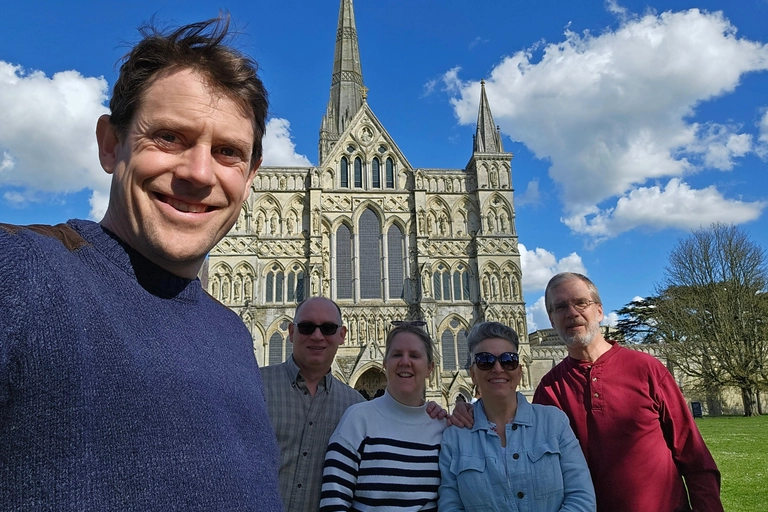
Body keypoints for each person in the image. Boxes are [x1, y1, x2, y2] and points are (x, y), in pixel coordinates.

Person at [0, 18, 282, 511]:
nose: (199, 173)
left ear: (251, 175)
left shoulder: (234, 335)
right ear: (111, 144)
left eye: (227, 152)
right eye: (169, 137)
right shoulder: (22, 271)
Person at [534, 272, 723, 512]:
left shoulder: (646, 369)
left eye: (581, 303)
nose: (572, 313)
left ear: (599, 311)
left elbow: (693, 454)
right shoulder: (549, 389)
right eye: (560, 307)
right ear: (551, 320)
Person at [439, 321, 595, 511]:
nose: (498, 368)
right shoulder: (454, 437)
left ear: (520, 371)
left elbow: (581, 498)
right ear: (473, 374)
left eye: (508, 360)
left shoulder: (554, 423)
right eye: (485, 361)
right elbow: (450, 506)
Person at [319, 323, 448, 511]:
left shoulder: (444, 428)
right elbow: (334, 502)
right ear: (385, 364)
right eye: (397, 354)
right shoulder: (357, 420)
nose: (405, 362)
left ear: (430, 368)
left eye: (414, 355)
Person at [261, 296, 366, 511]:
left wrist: (429, 414)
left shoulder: (356, 408)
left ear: (342, 335)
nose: (317, 336)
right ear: (291, 332)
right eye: (307, 327)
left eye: (328, 328)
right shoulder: (254, 385)